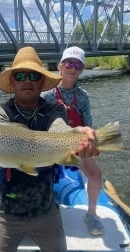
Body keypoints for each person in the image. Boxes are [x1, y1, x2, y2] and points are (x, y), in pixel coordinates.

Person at [0, 46, 99, 252]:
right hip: (5, 210)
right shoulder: (0, 113)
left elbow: (59, 130)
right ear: (12, 81)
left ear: (42, 81)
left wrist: (77, 136)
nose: (28, 81)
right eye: (20, 76)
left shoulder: (54, 110)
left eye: (33, 76)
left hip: (44, 208)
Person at [42, 46, 104, 236]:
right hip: (50, 145)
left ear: (81, 70)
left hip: (77, 145)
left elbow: (88, 124)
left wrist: (90, 143)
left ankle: (91, 214)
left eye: (78, 65)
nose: (73, 68)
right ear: (60, 65)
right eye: (69, 63)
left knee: (95, 175)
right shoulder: (46, 94)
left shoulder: (83, 97)